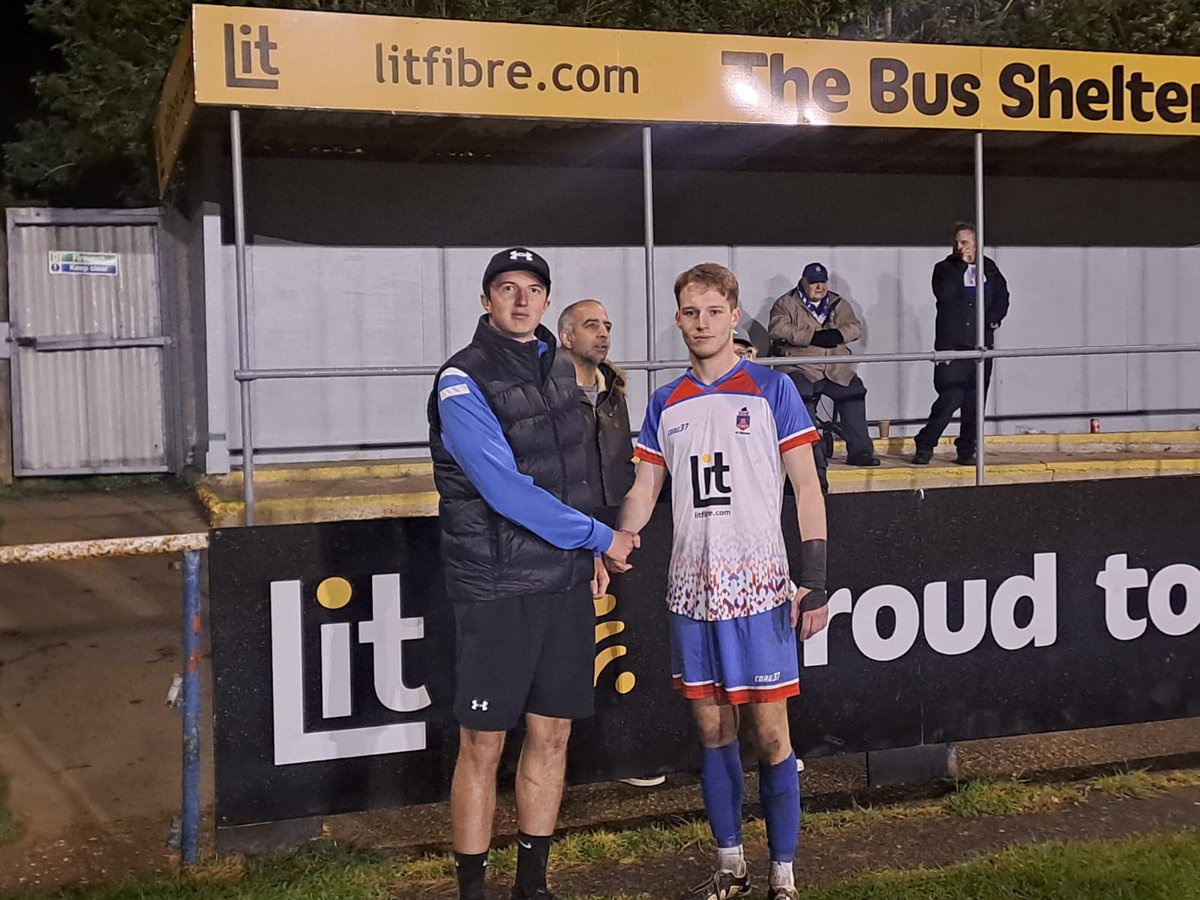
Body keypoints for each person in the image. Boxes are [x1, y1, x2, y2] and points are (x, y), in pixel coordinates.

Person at [611, 263, 830, 900]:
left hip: (759, 592)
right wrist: (616, 541)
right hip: (691, 595)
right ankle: (730, 864)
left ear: (734, 316)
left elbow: (807, 486)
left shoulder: (770, 389)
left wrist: (813, 578)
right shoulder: (664, 402)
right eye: (689, 311)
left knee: (770, 734)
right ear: (677, 319)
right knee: (712, 732)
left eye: (712, 310)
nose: (700, 323)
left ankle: (782, 874)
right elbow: (645, 489)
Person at [427, 247, 638, 900]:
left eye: (534, 289)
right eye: (507, 288)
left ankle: (533, 887)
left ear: (548, 301)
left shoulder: (562, 374)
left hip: (563, 584)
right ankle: (472, 891)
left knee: (552, 735)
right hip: (496, 589)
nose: (522, 300)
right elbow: (505, 491)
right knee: (483, 747)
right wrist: (603, 537)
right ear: (486, 299)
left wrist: (589, 559)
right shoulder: (461, 379)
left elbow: (574, 482)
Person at [558, 298, 666, 789]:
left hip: (615, 531)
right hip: (570, 533)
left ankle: (624, 753)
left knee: (624, 643)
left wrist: (622, 529)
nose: (602, 334)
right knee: (571, 648)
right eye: (590, 325)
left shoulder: (614, 394)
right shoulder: (548, 394)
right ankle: (567, 758)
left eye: (607, 325)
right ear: (565, 336)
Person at [768, 262, 880, 493]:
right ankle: (814, 468)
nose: (819, 287)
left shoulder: (838, 302)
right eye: (813, 282)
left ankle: (861, 453)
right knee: (801, 400)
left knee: (854, 392)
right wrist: (813, 337)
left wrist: (838, 334)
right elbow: (778, 329)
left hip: (834, 368)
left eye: (822, 282)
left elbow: (855, 327)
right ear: (803, 282)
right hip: (800, 367)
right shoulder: (785, 303)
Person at [912, 223, 1011, 465]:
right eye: (956, 242)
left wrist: (993, 320)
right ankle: (926, 442)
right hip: (953, 345)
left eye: (964, 242)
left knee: (974, 402)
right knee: (951, 397)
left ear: (977, 243)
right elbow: (944, 294)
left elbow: (1002, 296)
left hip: (980, 345)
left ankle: (966, 448)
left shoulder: (990, 268)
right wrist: (963, 266)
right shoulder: (945, 268)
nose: (959, 246)